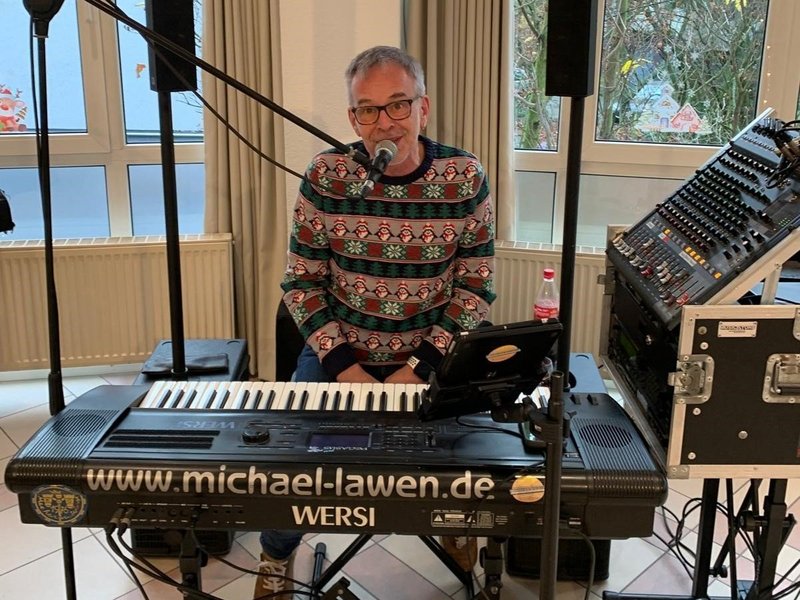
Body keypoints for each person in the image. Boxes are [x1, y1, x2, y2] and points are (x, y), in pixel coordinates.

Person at [254, 45, 496, 598]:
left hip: (431, 356)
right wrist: (347, 370)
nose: (384, 122)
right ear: (353, 118)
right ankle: (276, 554)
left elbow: (476, 286)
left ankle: (457, 529)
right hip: (340, 356)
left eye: (397, 105)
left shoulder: (463, 176)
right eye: (368, 109)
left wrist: (420, 367)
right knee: (292, 465)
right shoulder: (327, 175)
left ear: (423, 109)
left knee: (468, 461)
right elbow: (301, 284)